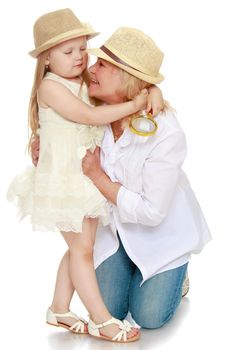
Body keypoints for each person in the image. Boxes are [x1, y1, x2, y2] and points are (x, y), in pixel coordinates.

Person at [31, 25, 211, 333]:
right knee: (108, 304)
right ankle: (78, 305)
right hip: (115, 231)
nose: (90, 67)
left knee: (148, 317)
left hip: (158, 235)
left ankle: (176, 277)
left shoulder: (165, 132)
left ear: (126, 78)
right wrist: (40, 141)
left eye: (101, 65)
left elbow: (152, 212)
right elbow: (62, 116)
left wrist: (98, 178)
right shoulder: (96, 104)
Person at [7, 9, 163, 343]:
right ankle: (101, 320)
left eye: (82, 49)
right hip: (62, 181)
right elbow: (91, 116)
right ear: (47, 59)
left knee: (82, 247)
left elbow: (118, 92)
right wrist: (136, 105)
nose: (79, 57)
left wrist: (153, 93)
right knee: (82, 250)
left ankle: (59, 308)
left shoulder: (80, 82)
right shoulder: (50, 87)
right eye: (68, 51)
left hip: (84, 178)